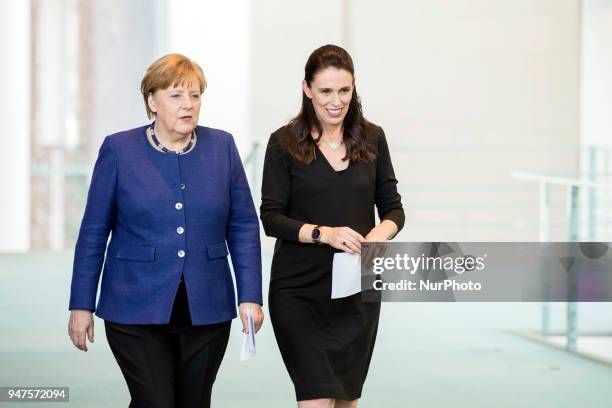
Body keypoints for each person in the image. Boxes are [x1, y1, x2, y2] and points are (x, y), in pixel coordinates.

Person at [67, 53, 264, 408]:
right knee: (155, 402)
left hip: (208, 307)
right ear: (152, 101)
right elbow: (94, 231)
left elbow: (243, 225)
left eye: (195, 95)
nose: (188, 105)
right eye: (176, 96)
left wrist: (249, 295)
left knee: (194, 402)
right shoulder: (119, 149)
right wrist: (81, 303)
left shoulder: (222, 147)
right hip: (134, 306)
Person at [260, 44, 405, 408]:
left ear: (354, 87)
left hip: (357, 289)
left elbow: (394, 210)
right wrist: (325, 234)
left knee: (345, 402)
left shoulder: (373, 138)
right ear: (307, 89)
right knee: (317, 399)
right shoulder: (283, 143)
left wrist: (377, 236)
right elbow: (271, 217)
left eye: (344, 90)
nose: (335, 101)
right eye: (325, 91)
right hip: (299, 291)